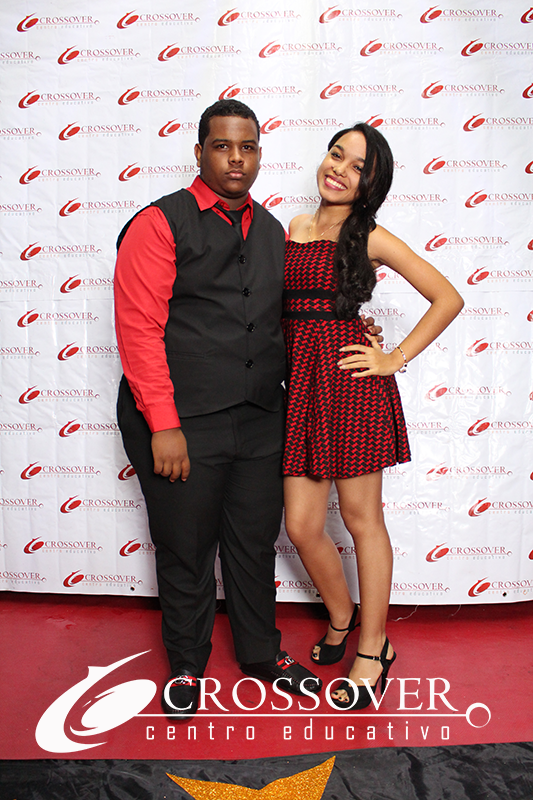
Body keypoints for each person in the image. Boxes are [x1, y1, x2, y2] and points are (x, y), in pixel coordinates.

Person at [113, 99, 332, 717]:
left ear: (259, 154)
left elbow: (286, 321)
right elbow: (139, 332)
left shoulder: (273, 230)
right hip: (181, 420)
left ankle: (261, 653)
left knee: (252, 542)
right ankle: (186, 663)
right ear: (200, 152)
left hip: (260, 417)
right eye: (223, 146)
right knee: (186, 545)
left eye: (248, 147)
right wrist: (164, 426)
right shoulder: (159, 223)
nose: (237, 159)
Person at [281, 122, 464, 710]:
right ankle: (341, 614)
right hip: (299, 390)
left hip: (351, 388)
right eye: (337, 155)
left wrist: (392, 357)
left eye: (358, 166)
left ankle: (373, 644)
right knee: (302, 526)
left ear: (371, 184)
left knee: (363, 522)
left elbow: (448, 297)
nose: (340, 169)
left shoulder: (371, 236)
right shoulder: (293, 228)